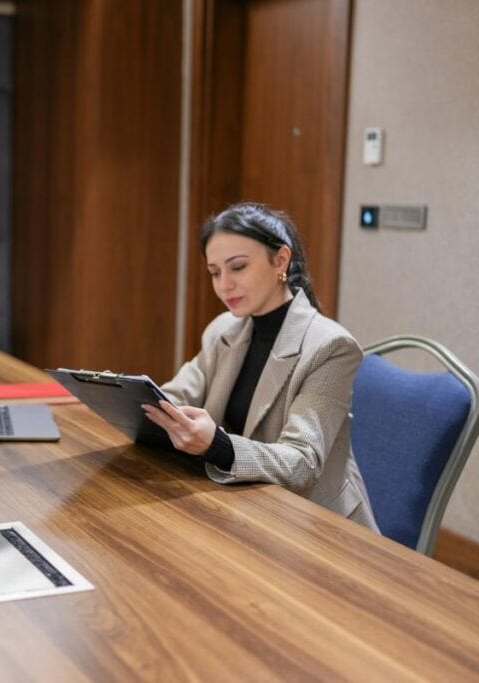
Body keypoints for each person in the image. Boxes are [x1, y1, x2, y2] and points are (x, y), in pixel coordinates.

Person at [143, 202, 378, 530]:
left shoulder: (330, 347)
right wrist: (137, 404)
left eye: (237, 267)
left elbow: (301, 464)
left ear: (280, 260)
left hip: (314, 524)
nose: (224, 285)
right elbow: (176, 394)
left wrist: (218, 445)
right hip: (247, 508)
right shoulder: (224, 329)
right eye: (214, 272)